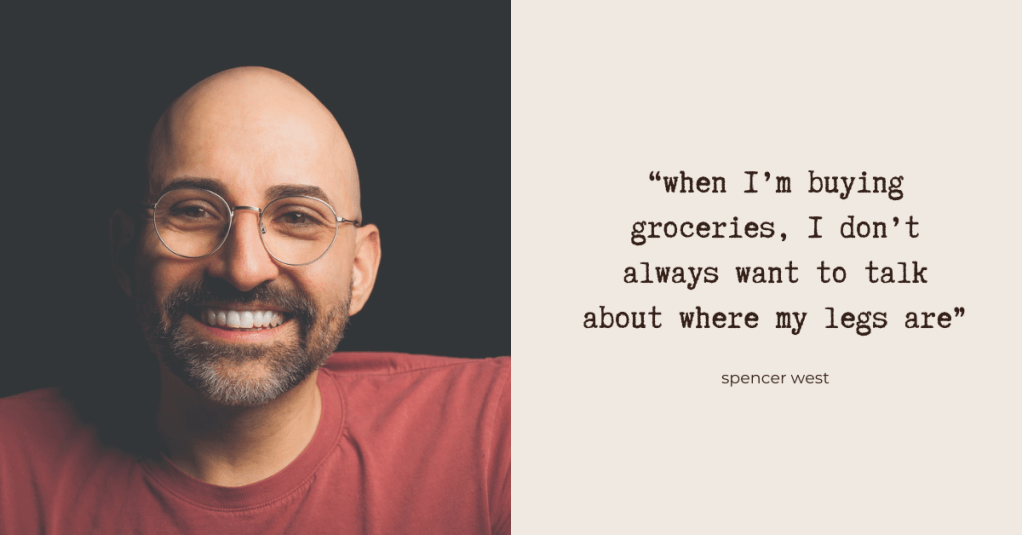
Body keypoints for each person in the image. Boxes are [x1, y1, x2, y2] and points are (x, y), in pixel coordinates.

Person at [0, 67, 510, 534]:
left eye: (297, 218)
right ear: (125, 253)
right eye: (195, 210)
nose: (243, 269)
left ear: (359, 270)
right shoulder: (10, 462)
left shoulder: (499, 428)